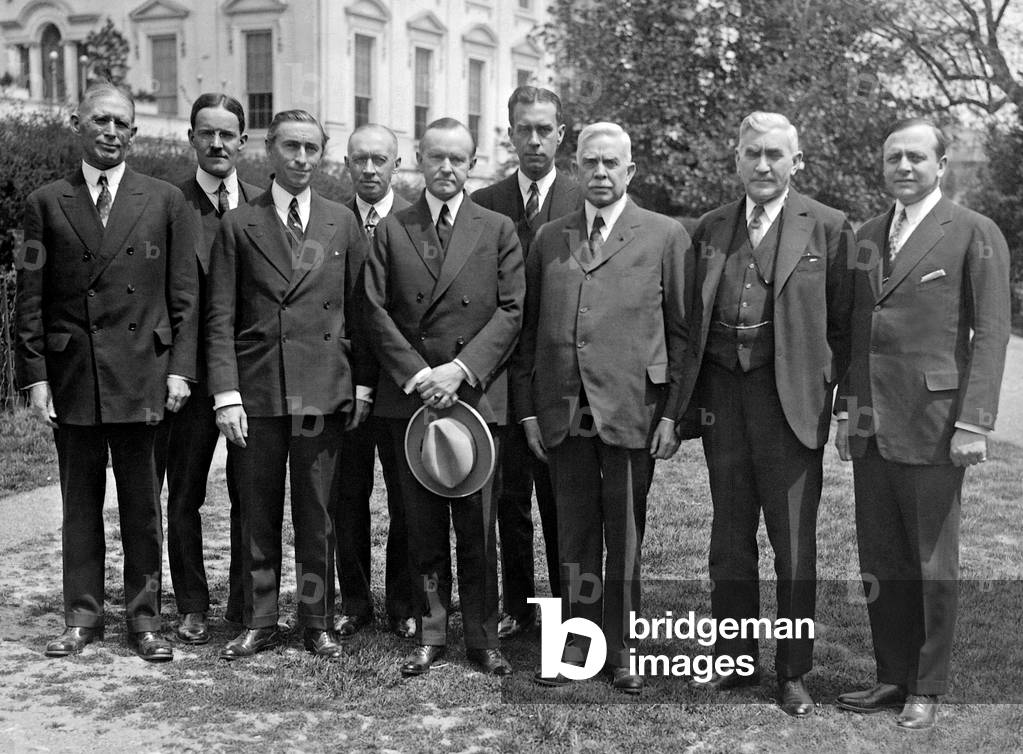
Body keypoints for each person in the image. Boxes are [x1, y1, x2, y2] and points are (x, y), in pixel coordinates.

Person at [835, 118, 1010, 730]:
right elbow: (855, 333)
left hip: (936, 425)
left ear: (941, 166)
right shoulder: (865, 235)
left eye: (916, 157)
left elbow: (991, 334)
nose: (904, 167)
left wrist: (974, 423)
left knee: (932, 564)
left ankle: (926, 687)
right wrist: (846, 411)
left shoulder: (974, 232)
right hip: (871, 424)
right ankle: (891, 675)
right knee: (880, 560)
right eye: (894, 158)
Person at [14, 82, 199, 662]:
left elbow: (185, 297)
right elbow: (30, 297)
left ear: (134, 133)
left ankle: (145, 620)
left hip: (145, 374)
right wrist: (35, 376)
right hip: (76, 377)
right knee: (79, 506)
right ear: (77, 124)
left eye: (122, 123)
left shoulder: (165, 200)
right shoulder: (47, 202)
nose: (111, 132)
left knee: (143, 509)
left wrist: (181, 371)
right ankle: (82, 617)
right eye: (100, 120)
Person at [677, 112, 853, 716]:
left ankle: (793, 672)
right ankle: (735, 659)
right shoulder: (710, 227)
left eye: (775, 154)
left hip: (792, 407)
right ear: (736, 158)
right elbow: (691, 322)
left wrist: (841, 405)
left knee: (793, 545)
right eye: (751, 153)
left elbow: (846, 327)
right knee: (729, 538)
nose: (762, 164)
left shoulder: (829, 227)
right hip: (724, 402)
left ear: (796, 161)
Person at [513, 122, 688, 694]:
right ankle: (578, 641)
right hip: (564, 411)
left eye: (612, 163)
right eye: (590, 162)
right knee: (574, 534)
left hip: (633, 410)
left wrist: (672, 415)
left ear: (630, 170)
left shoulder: (664, 235)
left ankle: (624, 645)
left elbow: (683, 335)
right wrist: (530, 412)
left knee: (626, 535)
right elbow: (528, 332)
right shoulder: (550, 238)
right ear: (575, 168)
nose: (601, 172)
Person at [206, 109, 373, 660]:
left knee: (317, 512)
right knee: (257, 509)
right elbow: (220, 317)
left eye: (311, 148)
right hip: (257, 391)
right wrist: (226, 394)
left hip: (322, 389)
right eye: (291, 147)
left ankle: (315, 619)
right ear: (268, 151)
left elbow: (361, 311)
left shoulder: (340, 221)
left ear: (322, 154)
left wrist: (362, 385)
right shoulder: (239, 223)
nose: (302, 159)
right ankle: (259, 619)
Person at [363, 118, 524, 677]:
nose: (447, 168)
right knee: (422, 524)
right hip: (413, 400)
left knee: (479, 526)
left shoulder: (497, 228)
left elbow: (512, 310)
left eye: (458, 159)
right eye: (436, 157)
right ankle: (430, 632)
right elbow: (374, 311)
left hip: (474, 395)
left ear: (472, 164)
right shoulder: (393, 229)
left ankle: (483, 637)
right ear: (418, 159)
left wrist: (458, 370)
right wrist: (419, 374)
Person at [153, 93, 261, 645]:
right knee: (184, 495)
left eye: (227, 134)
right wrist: (175, 368)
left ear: (243, 140)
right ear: (191, 137)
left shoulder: (265, 204)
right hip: (190, 378)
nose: (217, 144)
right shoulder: (170, 205)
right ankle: (193, 605)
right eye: (206, 133)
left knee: (251, 496)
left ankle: (245, 604)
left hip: (251, 378)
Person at [471, 86, 579, 639]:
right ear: (510, 133)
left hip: (562, 381)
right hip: (500, 381)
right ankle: (516, 604)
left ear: (561, 134)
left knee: (563, 503)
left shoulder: (585, 199)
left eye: (544, 129)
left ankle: (569, 611)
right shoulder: (485, 203)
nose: (534, 140)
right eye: (523, 129)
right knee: (508, 500)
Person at [333, 123, 416, 640]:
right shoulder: (330, 219)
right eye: (359, 159)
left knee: (407, 498)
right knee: (348, 496)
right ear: (346, 163)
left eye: (379, 160)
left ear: (396, 164)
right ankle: (356, 601)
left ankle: (404, 604)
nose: (369, 169)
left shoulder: (416, 220)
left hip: (401, 385)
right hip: (344, 387)